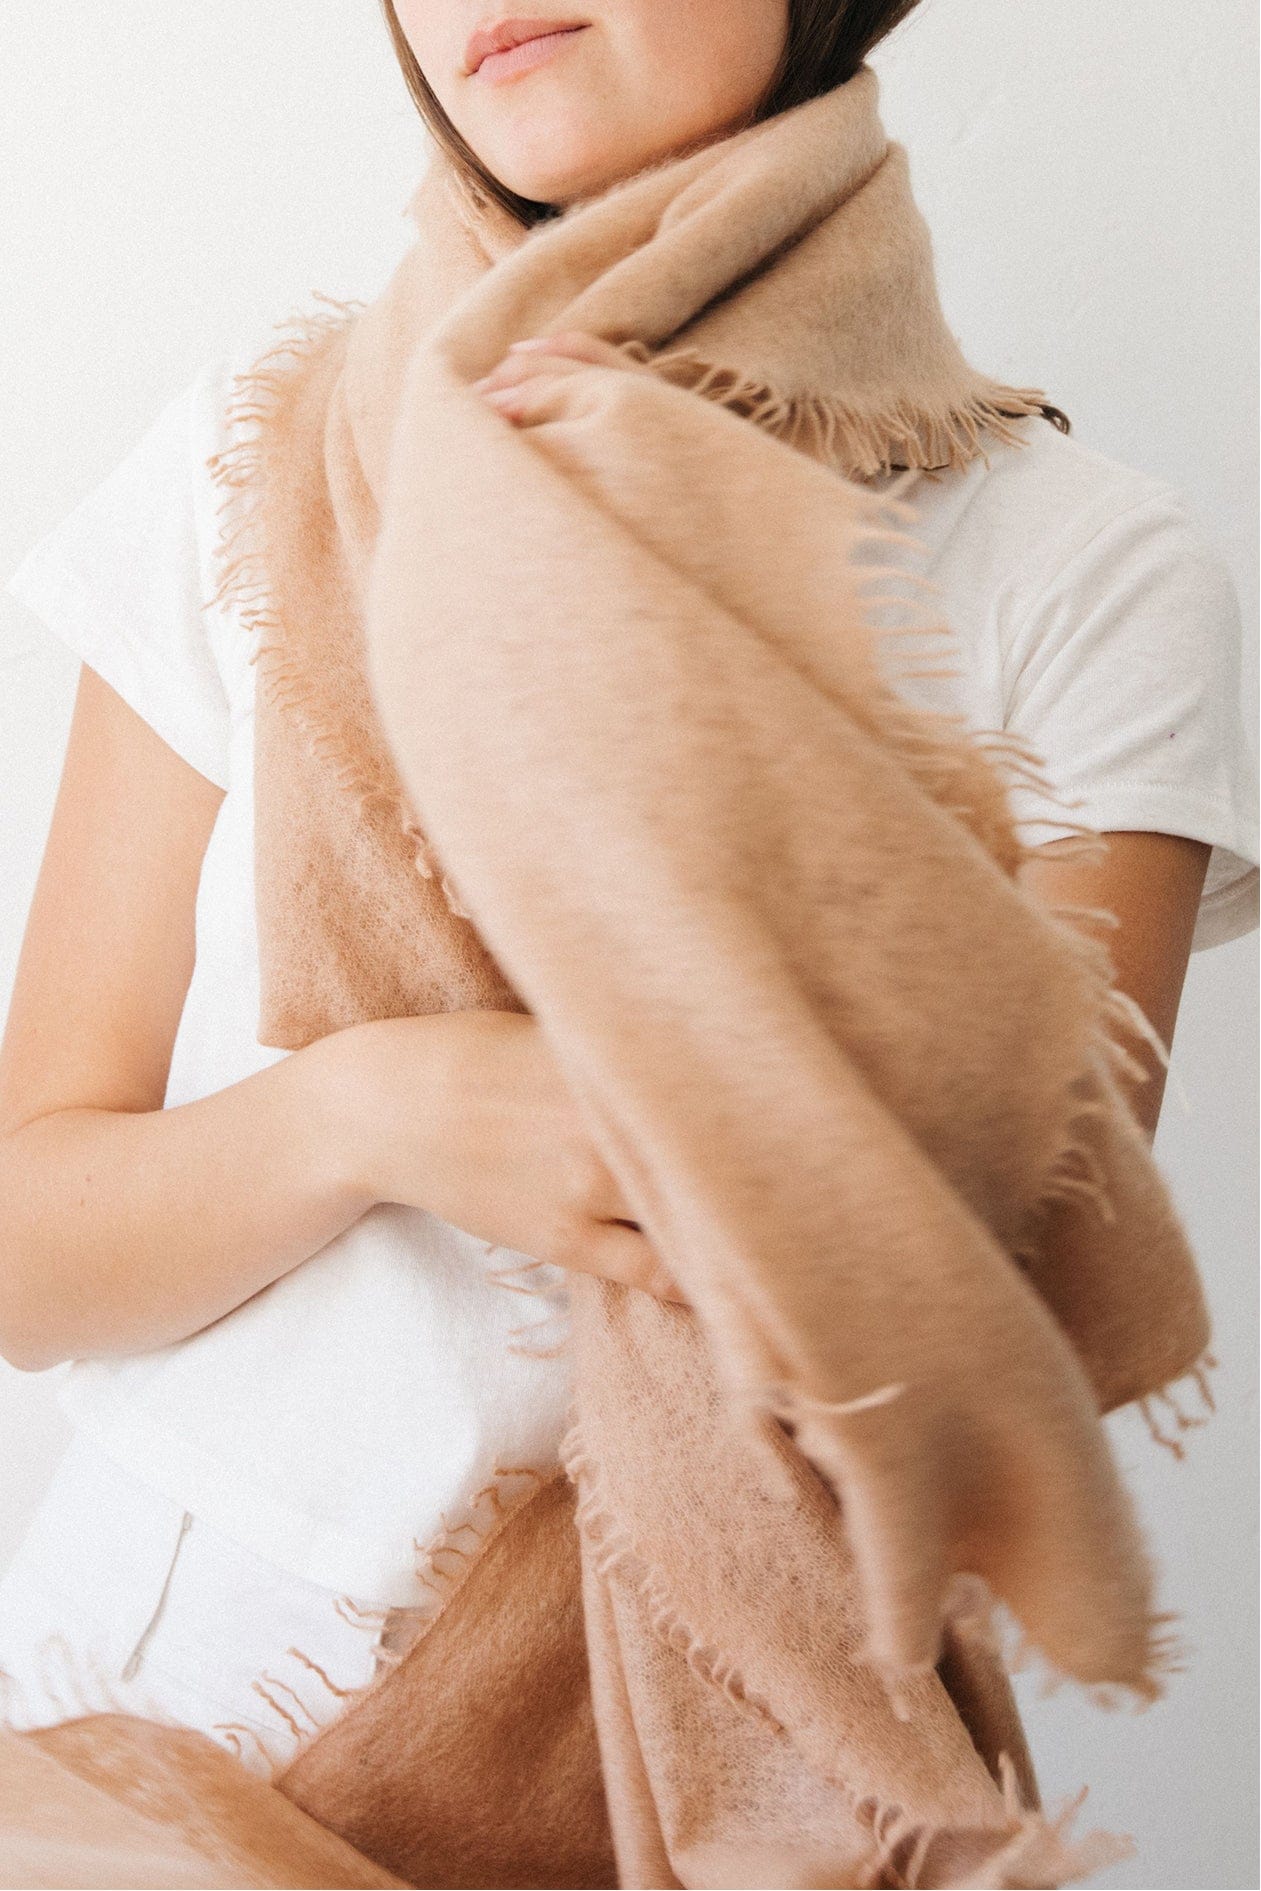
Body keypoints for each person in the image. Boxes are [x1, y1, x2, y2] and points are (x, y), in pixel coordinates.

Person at [0, 0, 1256, 1787]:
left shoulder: (1075, 567)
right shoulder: (256, 466)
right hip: (136, 1748)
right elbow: (25, 1252)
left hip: (731, 1788)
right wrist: (371, 1114)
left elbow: (1008, 1335)